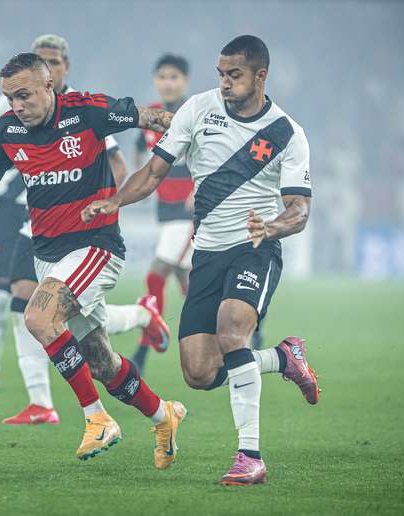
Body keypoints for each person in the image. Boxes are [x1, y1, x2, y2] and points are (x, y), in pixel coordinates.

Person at [82, 35, 320, 485]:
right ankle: (283, 358)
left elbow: (300, 210)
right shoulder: (197, 109)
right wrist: (115, 202)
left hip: (255, 248)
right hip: (206, 254)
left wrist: (271, 227)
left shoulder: (287, 133)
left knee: (232, 332)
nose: (225, 82)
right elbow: (153, 171)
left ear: (261, 76)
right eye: (221, 74)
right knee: (199, 371)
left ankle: (250, 456)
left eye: (235, 75)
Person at [0, 52, 185, 468]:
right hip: (48, 257)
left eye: (24, 95)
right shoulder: (6, 130)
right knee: (101, 363)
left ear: (49, 85)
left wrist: (201, 138)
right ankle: (164, 416)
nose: (17, 105)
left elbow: (155, 119)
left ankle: (97, 419)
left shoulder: (88, 110)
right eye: (10, 98)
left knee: (37, 318)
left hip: (95, 247)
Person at [129, 54, 194, 372]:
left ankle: (145, 346)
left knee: (155, 275)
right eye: (162, 77)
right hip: (165, 210)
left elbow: (213, 155)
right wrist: (141, 181)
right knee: (189, 281)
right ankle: (232, 329)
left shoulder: (194, 113)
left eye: (174, 77)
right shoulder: (151, 115)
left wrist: (199, 189)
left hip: (190, 211)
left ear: (185, 81)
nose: (168, 83)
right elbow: (138, 147)